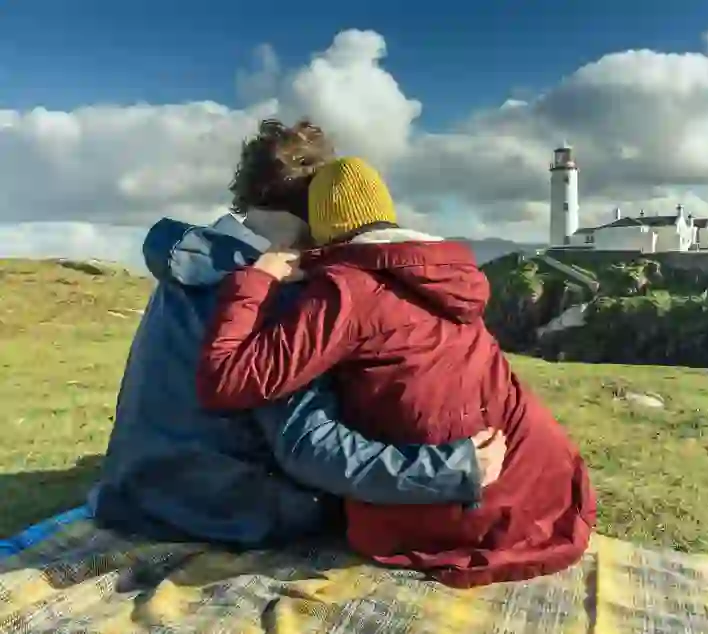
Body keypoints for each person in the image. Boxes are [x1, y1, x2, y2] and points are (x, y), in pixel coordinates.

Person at [91, 121, 506, 547]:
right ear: (317, 211)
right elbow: (308, 446)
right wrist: (450, 468)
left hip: (134, 490)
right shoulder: (274, 290)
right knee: (367, 509)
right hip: (224, 513)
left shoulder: (195, 258)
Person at [195, 154, 597, 587]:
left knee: (353, 516)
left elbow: (226, 381)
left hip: (474, 502)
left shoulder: (346, 291)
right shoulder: (442, 272)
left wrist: (257, 280)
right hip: (548, 482)